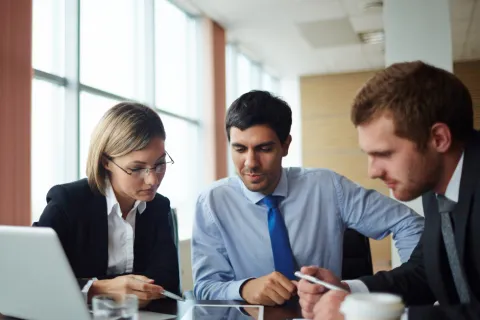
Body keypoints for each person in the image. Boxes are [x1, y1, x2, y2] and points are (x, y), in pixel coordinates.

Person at [192, 90, 424, 306]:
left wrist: (414, 285)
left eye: (264, 149)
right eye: (240, 149)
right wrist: (244, 288)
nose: (251, 163)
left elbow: (408, 223)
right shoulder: (212, 202)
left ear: (285, 146)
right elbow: (204, 287)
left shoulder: (327, 187)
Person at [298, 61, 480, 320]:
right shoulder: (435, 185)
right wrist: (349, 291)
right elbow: (425, 272)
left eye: (383, 154)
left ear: (438, 139)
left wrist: (369, 317)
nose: (372, 171)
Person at [34, 102, 180, 306]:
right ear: (106, 161)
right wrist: (100, 289)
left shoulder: (159, 207)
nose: (153, 180)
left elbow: (170, 285)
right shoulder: (67, 203)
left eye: (159, 164)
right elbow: (34, 279)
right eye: (137, 168)